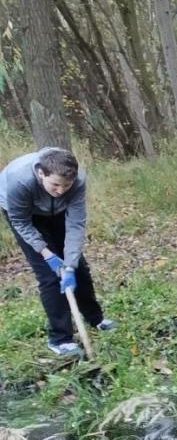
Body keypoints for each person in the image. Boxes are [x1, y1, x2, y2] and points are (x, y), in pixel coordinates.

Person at [1, 146, 115, 357]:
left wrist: (70, 264)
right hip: (25, 215)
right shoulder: (19, 182)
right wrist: (48, 255)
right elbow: (21, 222)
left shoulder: (77, 181)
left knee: (78, 267)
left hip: (57, 211)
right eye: (55, 184)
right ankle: (60, 339)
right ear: (41, 173)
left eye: (66, 185)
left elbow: (76, 225)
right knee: (50, 276)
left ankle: (95, 318)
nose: (61, 190)